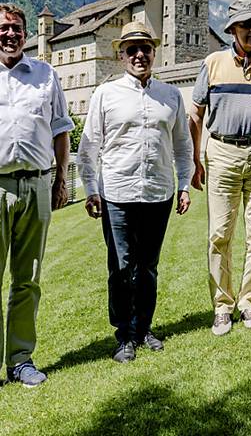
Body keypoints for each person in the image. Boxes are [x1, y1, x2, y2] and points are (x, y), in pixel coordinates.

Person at [77, 21, 192, 363]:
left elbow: (183, 146)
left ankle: (144, 328)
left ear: (154, 52)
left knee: (148, 267)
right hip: (117, 193)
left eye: (145, 48)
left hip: (159, 192)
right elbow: (89, 147)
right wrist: (90, 189)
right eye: (132, 50)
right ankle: (124, 334)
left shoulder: (170, 96)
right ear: (121, 55)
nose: (139, 55)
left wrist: (184, 184)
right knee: (121, 266)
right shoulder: (105, 94)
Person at [189, 1, 251, 335]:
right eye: (247, 26)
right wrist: (194, 159)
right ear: (232, 30)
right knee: (220, 234)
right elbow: (196, 114)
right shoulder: (213, 63)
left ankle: (249, 304)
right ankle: (222, 306)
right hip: (222, 152)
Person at [0, 3, 73, 387]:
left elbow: (61, 130)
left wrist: (61, 180)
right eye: (4, 28)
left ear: (27, 34)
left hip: (36, 185)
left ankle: (20, 360)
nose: (10, 34)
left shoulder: (46, 75)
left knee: (27, 278)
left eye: (16, 28)